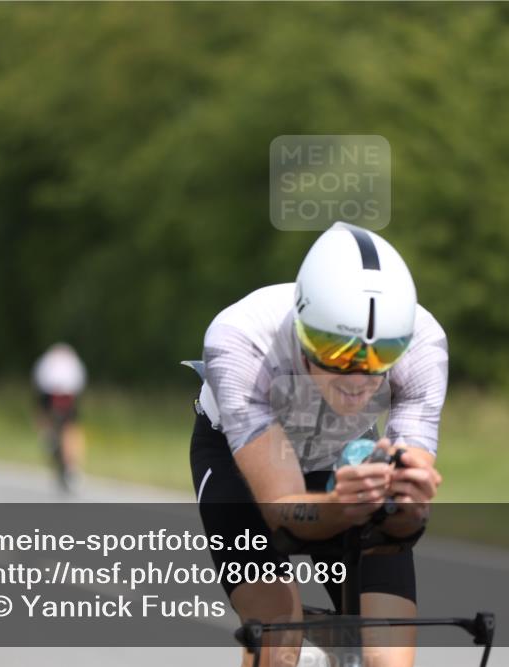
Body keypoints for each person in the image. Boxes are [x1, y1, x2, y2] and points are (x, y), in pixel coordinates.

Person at [190, 222, 447, 667]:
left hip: (345, 453)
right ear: (302, 330)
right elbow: (283, 511)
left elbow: (401, 521)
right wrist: (342, 507)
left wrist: (407, 511)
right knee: (279, 638)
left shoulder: (424, 346)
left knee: (388, 658)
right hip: (241, 463)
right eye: (336, 351)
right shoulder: (240, 340)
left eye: (380, 357)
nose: (358, 380)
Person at [32, 342, 87, 489]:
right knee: (71, 429)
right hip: (62, 394)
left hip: (54, 394)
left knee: (65, 428)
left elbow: (38, 383)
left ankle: (49, 440)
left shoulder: (49, 360)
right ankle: (70, 465)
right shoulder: (69, 360)